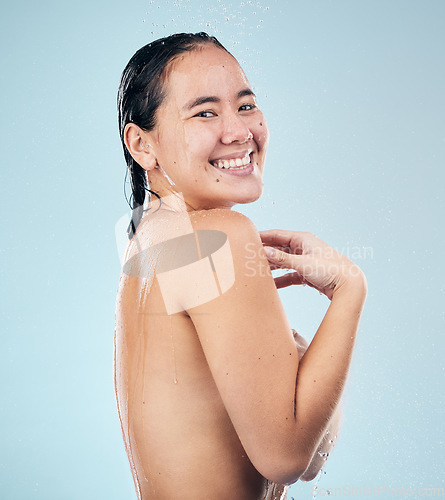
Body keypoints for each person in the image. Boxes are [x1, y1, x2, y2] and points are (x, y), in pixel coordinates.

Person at [114, 32, 367, 500]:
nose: (238, 131)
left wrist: (298, 364)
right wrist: (349, 291)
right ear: (142, 145)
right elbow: (288, 457)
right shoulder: (217, 237)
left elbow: (310, 454)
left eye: (246, 105)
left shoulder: (150, 238)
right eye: (205, 112)